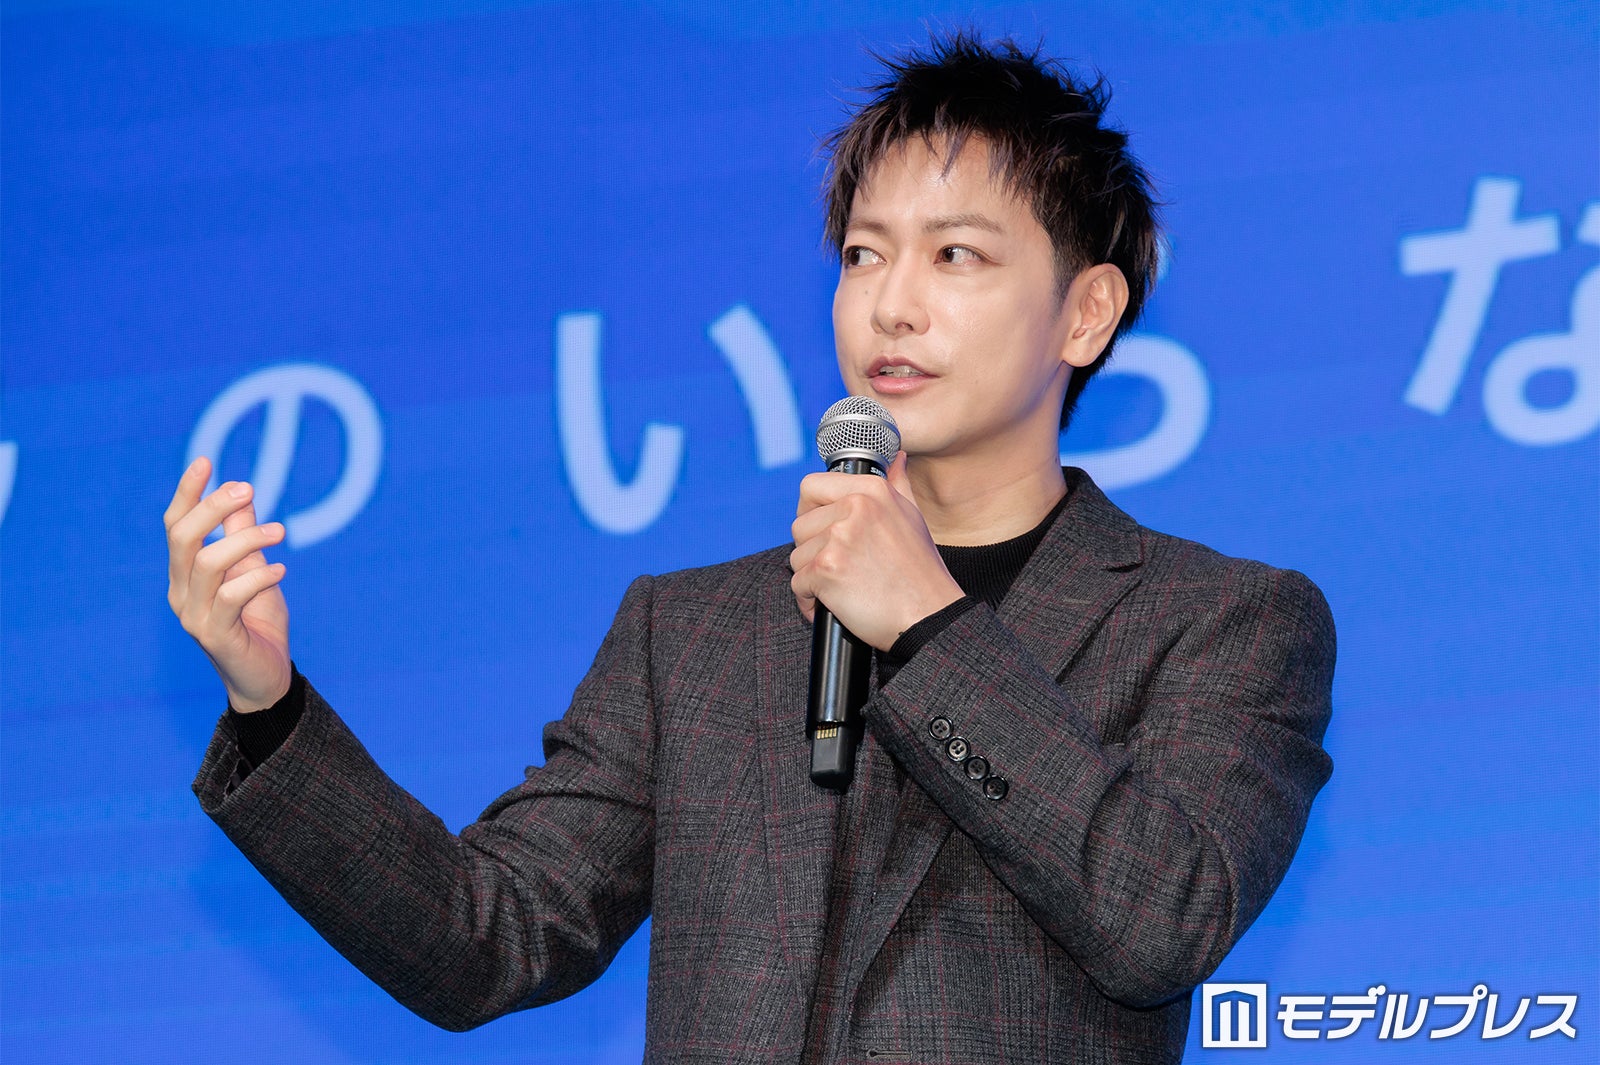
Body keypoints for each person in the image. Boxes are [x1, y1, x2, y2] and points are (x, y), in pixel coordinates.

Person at [166, 31, 1334, 1063]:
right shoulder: (692, 633)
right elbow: (486, 938)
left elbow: (1159, 921)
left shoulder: (1218, 621)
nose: (891, 305)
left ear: (1086, 313)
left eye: (954, 256)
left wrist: (925, 627)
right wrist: (269, 706)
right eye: (864, 255)